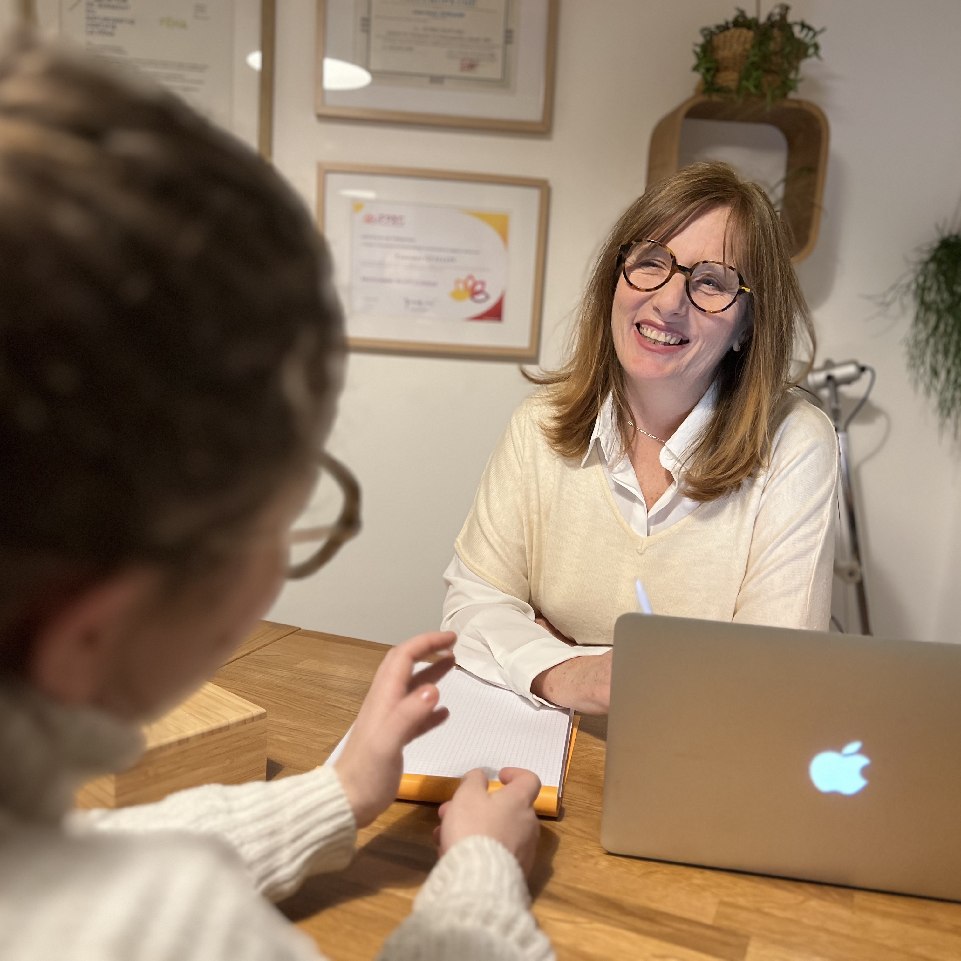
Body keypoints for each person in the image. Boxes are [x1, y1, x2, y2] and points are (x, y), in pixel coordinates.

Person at [0, 33, 553, 961]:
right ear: (90, 632)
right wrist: (478, 877)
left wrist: (338, 791)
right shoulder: (176, 926)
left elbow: (75, 856)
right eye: (289, 516)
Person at [443, 161, 839, 715]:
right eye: (651, 262)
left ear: (748, 323)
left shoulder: (796, 442)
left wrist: (531, 651)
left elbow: (774, 672)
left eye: (710, 282)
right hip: (535, 745)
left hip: (695, 763)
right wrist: (570, 674)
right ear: (616, 277)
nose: (669, 302)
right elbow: (471, 608)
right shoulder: (539, 425)